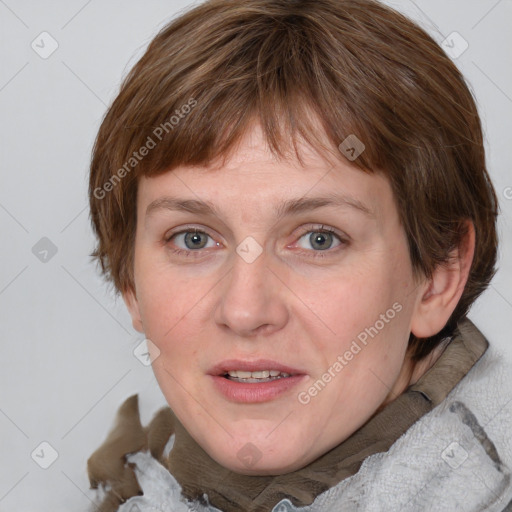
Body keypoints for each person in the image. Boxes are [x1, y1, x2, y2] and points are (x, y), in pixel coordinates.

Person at [85, 0, 512, 510]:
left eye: (319, 239)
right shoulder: (133, 486)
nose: (244, 311)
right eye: (194, 239)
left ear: (438, 276)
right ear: (131, 283)